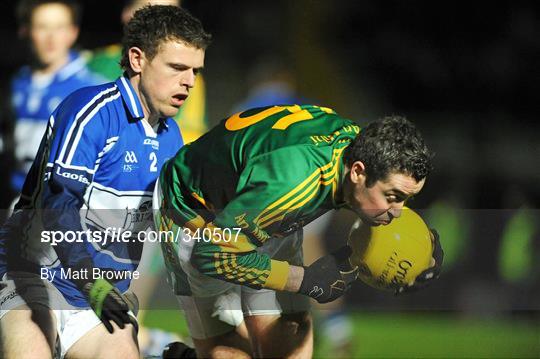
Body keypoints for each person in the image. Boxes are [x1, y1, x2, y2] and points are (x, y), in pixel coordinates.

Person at [0, 5, 210, 358]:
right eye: (177, 68)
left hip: (100, 294)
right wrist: (89, 280)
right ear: (138, 59)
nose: (189, 81)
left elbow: (174, 225)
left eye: (194, 70)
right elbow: (58, 206)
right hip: (31, 278)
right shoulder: (89, 112)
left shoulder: (172, 138)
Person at [155, 106, 443, 358]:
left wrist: (418, 247)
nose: (397, 211)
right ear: (357, 172)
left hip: (266, 213)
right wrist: (304, 279)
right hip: (197, 217)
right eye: (393, 196)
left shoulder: (359, 148)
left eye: (406, 199)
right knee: (229, 352)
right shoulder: (294, 183)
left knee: (291, 337)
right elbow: (212, 255)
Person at [10, 0, 105, 198]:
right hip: (14, 198)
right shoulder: (16, 83)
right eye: (42, 27)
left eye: (60, 28)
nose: (51, 38)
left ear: (73, 32)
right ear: (25, 31)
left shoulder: (91, 89)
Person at [88, 0, 208, 145]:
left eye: (172, 12)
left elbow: (193, 135)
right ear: (127, 14)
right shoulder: (92, 65)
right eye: (153, 11)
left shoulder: (190, 77)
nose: (189, 81)